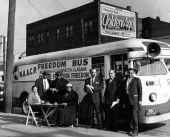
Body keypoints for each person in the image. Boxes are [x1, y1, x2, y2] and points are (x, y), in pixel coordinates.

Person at [125, 68, 142, 136]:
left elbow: (140, 90)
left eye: (131, 73)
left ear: (133, 73)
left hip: (135, 100)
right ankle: (131, 129)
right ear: (127, 73)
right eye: (129, 73)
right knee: (129, 116)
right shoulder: (125, 79)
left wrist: (140, 100)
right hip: (127, 100)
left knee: (134, 116)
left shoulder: (137, 79)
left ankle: (136, 131)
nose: (130, 74)